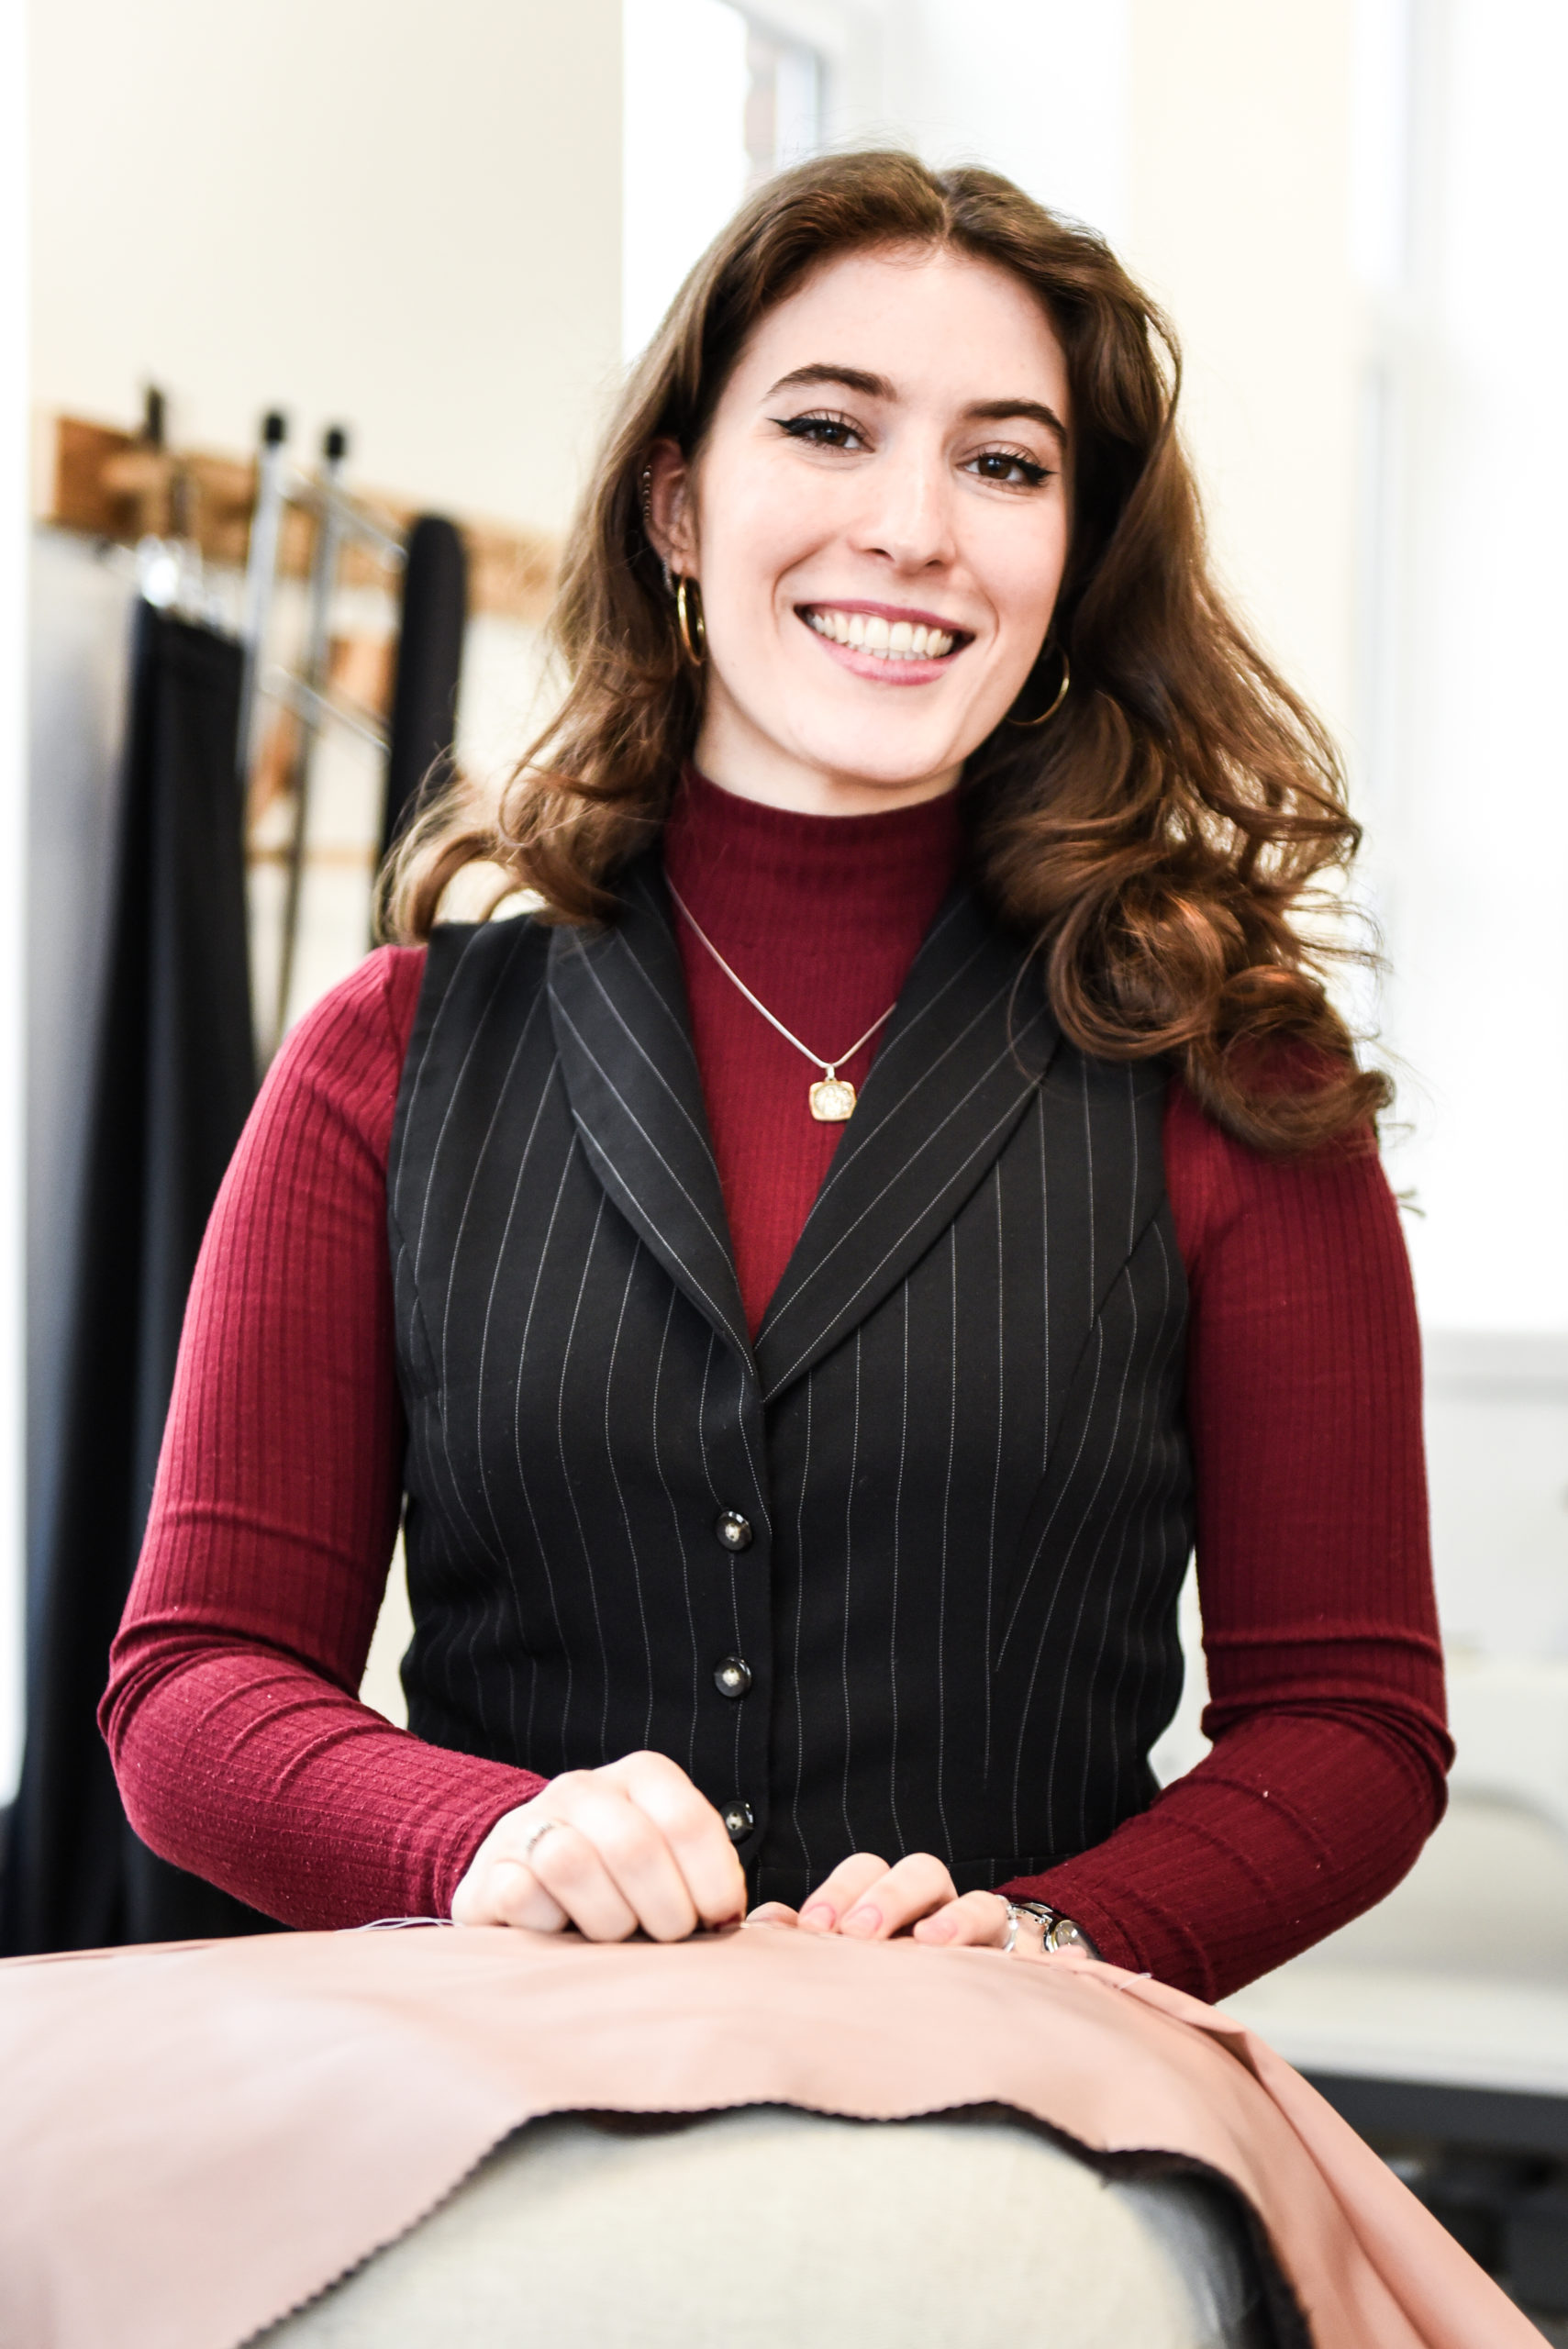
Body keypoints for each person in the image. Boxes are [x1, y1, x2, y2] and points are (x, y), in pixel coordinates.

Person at [101, 150, 1449, 2002]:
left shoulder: (1234, 1074)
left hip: (1023, 2114)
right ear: (676, 502)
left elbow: (1353, 1721)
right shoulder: (388, 1057)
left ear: (1072, 554)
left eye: (1004, 464)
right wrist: (481, 1837)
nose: (914, 528)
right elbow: (192, 1688)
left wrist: (1059, 1937)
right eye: (828, 429)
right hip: (499, 2098)